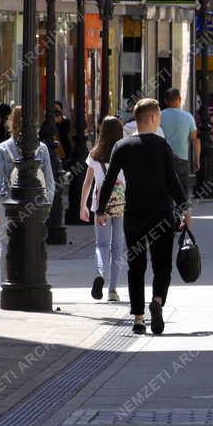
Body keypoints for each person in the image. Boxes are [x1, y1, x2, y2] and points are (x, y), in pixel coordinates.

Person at [96, 98, 189, 336]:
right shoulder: (162, 146)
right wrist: (185, 208)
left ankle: (138, 319)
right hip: (161, 215)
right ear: (153, 118)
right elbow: (172, 180)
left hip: (134, 215)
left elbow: (109, 180)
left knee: (136, 266)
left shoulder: (122, 146)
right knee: (162, 266)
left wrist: (101, 209)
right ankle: (157, 301)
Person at [0, 105, 56, 287]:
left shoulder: (2, 149)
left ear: (11, 122)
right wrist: (47, 205)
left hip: (7, 203)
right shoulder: (41, 149)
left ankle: (6, 284)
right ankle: (34, 281)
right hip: (34, 203)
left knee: (6, 244)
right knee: (34, 243)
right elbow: (49, 181)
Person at [80, 116, 126, 303]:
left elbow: (88, 182)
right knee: (117, 248)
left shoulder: (95, 154)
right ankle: (113, 290)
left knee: (101, 245)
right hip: (121, 203)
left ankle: (100, 272)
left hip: (100, 205)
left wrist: (82, 205)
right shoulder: (124, 152)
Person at [160, 88, 200, 196]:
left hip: (163, 158)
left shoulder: (159, 116)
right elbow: (195, 140)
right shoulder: (188, 117)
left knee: (165, 187)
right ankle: (180, 210)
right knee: (182, 189)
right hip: (182, 159)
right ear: (180, 99)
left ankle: (167, 210)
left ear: (165, 101)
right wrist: (197, 159)